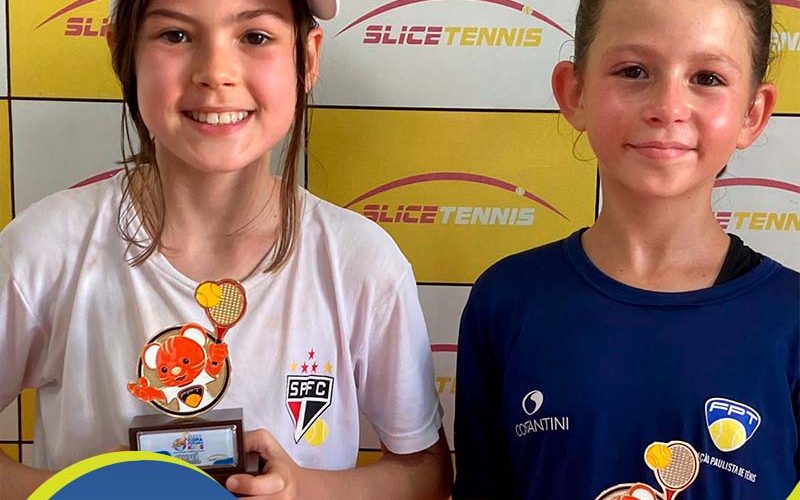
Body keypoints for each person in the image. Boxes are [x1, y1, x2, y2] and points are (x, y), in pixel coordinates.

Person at [0, 1, 452, 498]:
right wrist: (86, 492)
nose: (216, 72)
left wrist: (303, 489)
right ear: (122, 54)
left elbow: (424, 473)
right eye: (175, 35)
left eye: (255, 37)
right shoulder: (43, 250)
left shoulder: (360, 262)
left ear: (307, 58)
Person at [453, 0, 798, 498]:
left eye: (707, 78)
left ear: (753, 112)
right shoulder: (506, 302)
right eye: (633, 71)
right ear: (574, 93)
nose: (668, 108)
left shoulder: (790, 319)